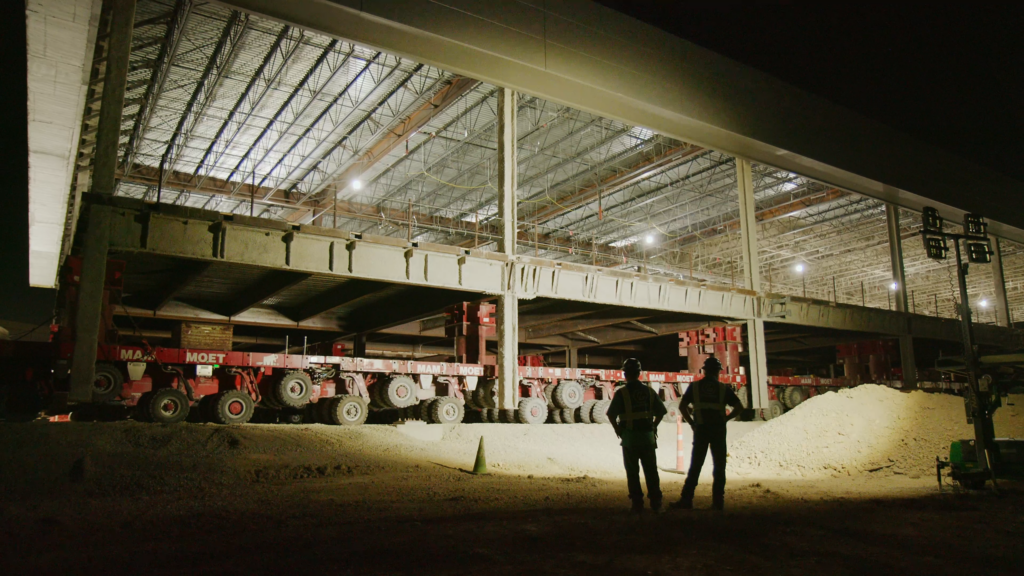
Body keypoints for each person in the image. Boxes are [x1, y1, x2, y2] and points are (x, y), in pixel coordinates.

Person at [672, 356, 744, 511]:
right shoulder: (723, 389)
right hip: (718, 431)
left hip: (701, 430)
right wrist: (725, 419)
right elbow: (739, 407)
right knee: (719, 467)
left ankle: (686, 500)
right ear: (718, 372)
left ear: (705, 371)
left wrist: (691, 423)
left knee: (696, 465)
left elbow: (682, 406)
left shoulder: (695, 387)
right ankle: (718, 503)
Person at [607, 358, 668, 514]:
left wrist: (618, 430)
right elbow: (661, 412)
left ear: (625, 374)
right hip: (647, 438)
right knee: (651, 471)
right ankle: (656, 502)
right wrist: (654, 426)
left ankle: (637, 503)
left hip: (630, 439)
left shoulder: (622, 393)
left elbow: (611, 414)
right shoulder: (649, 391)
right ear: (639, 373)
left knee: (633, 472)